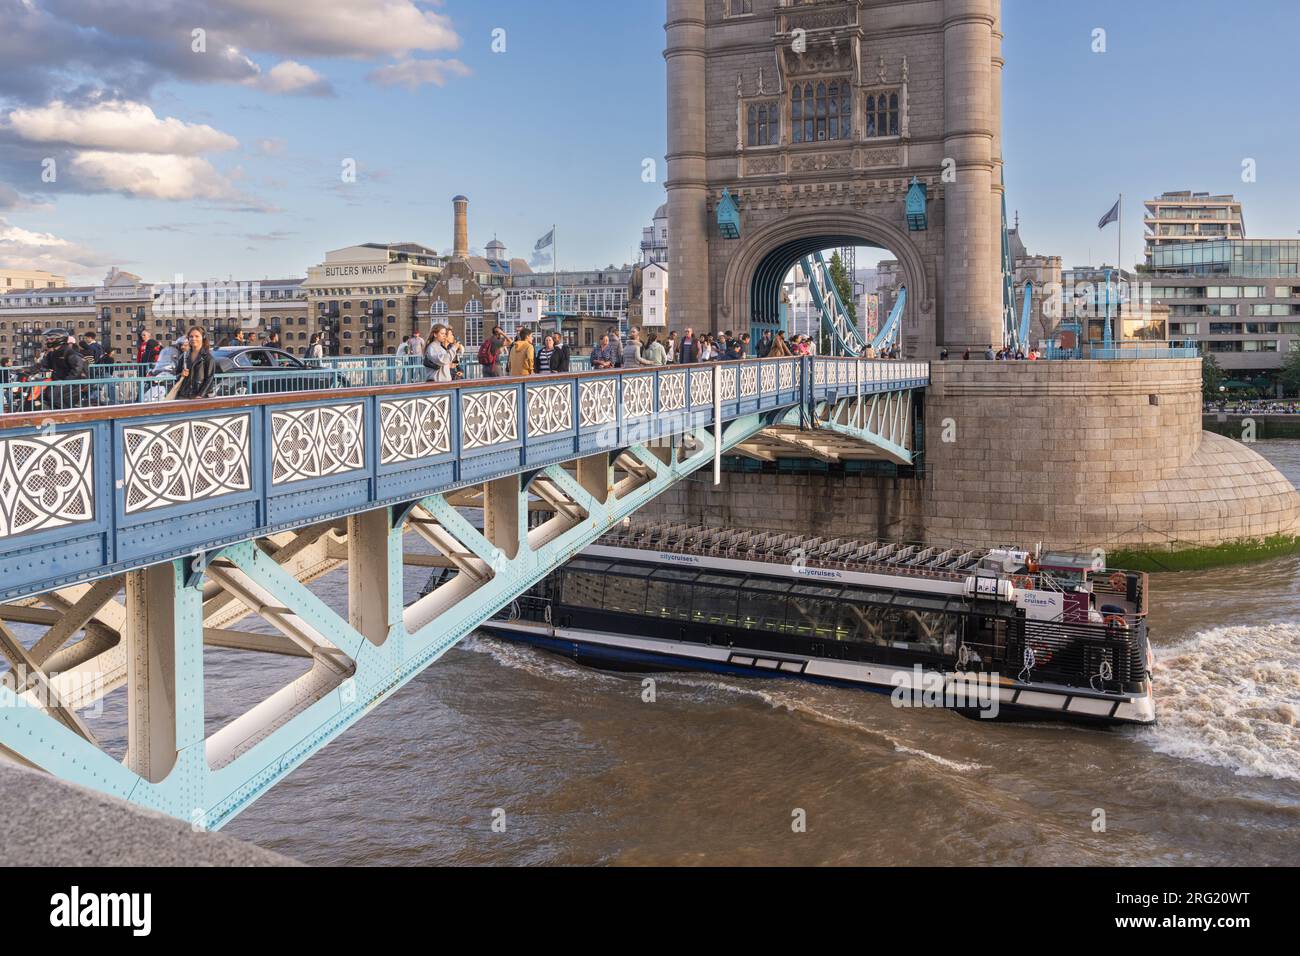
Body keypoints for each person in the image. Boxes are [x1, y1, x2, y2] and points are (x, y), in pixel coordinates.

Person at [174, 326, 216, 400]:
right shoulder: (183, 356)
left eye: (197, 336)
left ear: (203, 338)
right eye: (191, 336)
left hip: (199, 397)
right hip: (183, 395)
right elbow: (176, 375)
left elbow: (209, 379)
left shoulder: (207, 357)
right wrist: (181, 374)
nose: (193, 339)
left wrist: (200, 395)